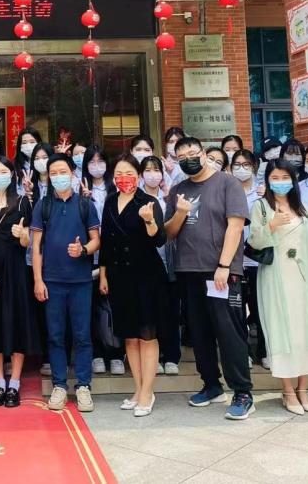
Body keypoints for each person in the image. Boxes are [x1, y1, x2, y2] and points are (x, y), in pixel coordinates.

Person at [164, 137, 254, 420]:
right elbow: (170, 232)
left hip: (220, 272)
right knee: (199, 332)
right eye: (181, 157)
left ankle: (242, 391)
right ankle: (211, 385)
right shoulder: (178, 190)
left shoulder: (228, 184)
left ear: (203, 154)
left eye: (192, 153)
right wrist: (181, 212)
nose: (188, 159)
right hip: (188, 271)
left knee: (229, 332)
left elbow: (235, 227)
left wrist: (224, 265)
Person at [247, 161, 308, 415]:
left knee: (305, 330)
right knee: (281, 330)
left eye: (285, 177)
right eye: (275, 177)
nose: (280, 182)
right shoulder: (261, 207)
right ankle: (287, 390)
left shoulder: (303, 208)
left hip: (304, 275)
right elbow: (254, 240)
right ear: (268, 180)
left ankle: (303, 388)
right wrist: (272, 225)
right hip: (276, 276)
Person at [32, 153, 101, 414]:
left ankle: (83, 385)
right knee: (55, 336)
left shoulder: (85, 204)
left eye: (63, 172)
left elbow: (96, 240)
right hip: (52, 281)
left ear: (72, 173)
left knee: (82, 335)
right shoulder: (43, 206)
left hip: (81, 281)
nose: (58, 177)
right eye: (54, 173)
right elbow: (36, 247)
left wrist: (83, 250)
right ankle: (59, 385)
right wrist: (38, 280)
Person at [99, 155, 168, 417]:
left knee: (147, 335)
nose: (123, 178)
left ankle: (148, 392)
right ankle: (138, 390)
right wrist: (103, 274)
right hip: (119, 277)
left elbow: (159, 239)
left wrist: (149, 220)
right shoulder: (110, 201)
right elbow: (106, 241)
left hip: (147, 276)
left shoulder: (148, 202)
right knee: (129, 336)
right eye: (118, 173)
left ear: (138, 175)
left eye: (128, 173)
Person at [0, 155, 36, 408]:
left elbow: (27, 243)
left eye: (4, 171)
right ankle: (0, 382)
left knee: (17, 321)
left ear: (12, 175)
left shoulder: (22, 202)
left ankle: (15, 383)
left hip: (16, 271)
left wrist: (22, 234)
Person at [141, 155, 181, 375]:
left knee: (170, 312)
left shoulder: (169, 199)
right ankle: (153, 357)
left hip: (170, 264)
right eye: (148, 170)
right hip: (146, 267)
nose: (152, 174)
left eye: (156, 170)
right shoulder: (137, 200)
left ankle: (171, 356)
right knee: (150, 313)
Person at [231, 150, 267, 366]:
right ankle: (241, 352)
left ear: (254, 167)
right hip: (233, 260)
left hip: (257, 260)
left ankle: (264, 351)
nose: (241, 169)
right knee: (236, 310)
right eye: (237, 164)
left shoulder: (263, 192)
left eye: (246, 164)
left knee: (261, 308)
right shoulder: (226, 190)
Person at [161, 126, 186, 191]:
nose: (175, 144)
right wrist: (167, 172)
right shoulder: (161, 165)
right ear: (166, 144)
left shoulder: (191, 162)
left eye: (178, 141)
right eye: (171, 142)